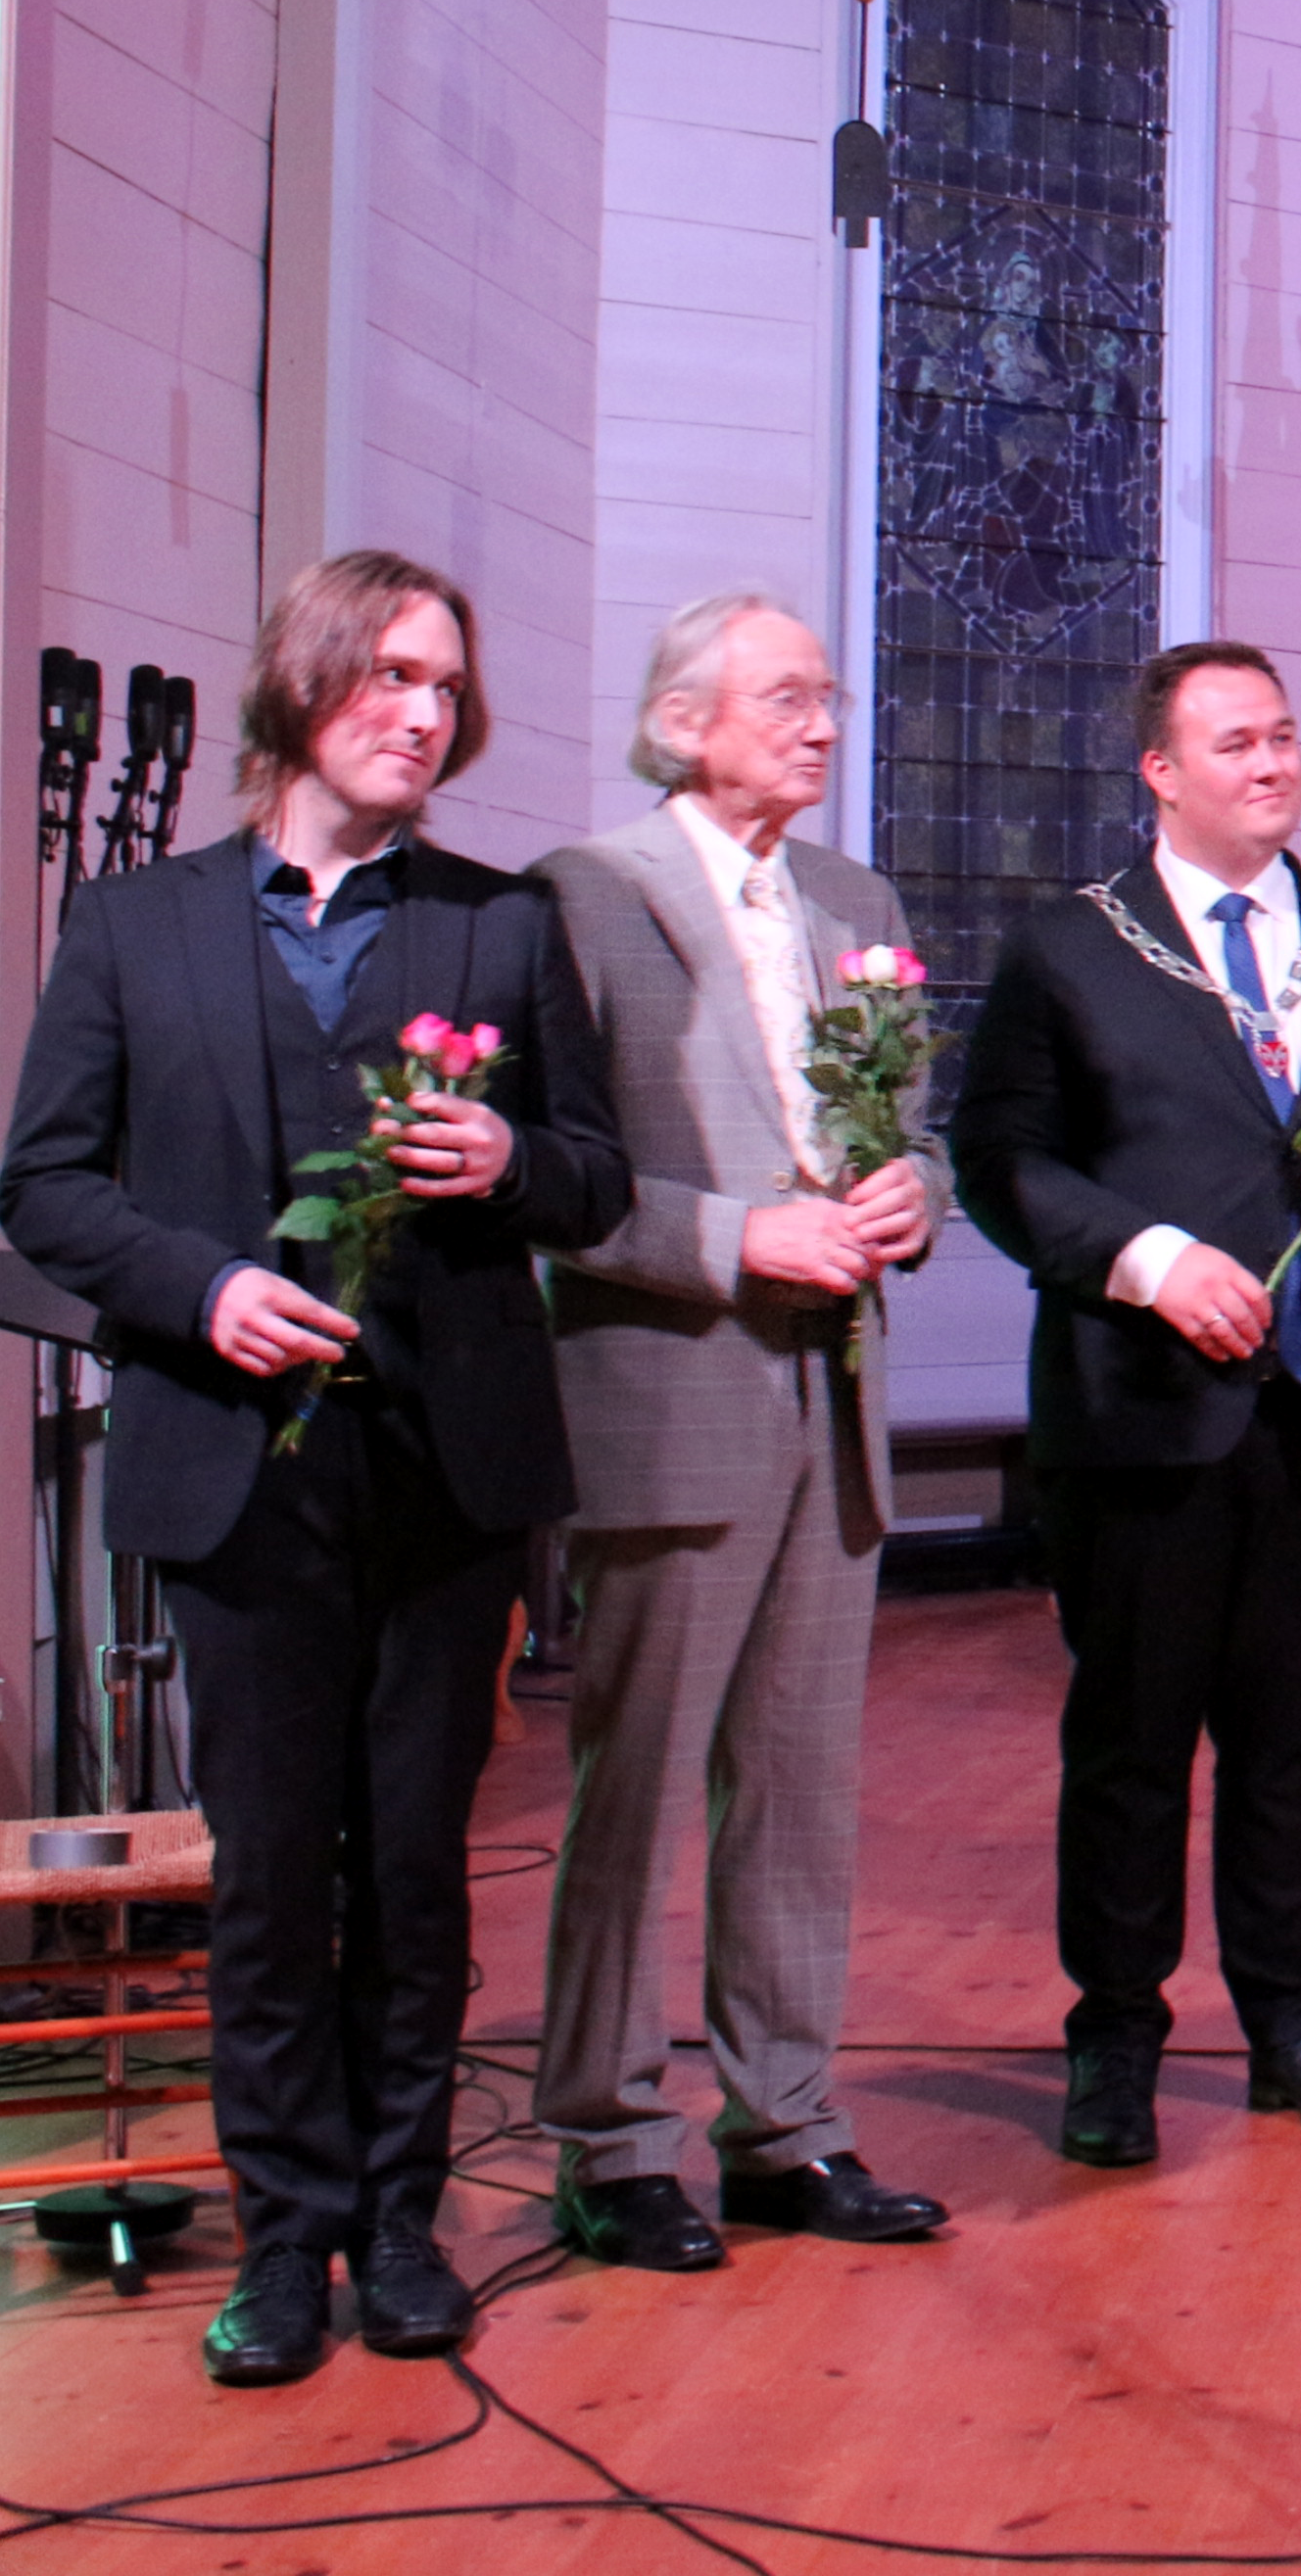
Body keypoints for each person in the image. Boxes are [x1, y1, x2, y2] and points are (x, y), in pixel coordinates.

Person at [1, 550, 629, 2384]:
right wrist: (201, 1291)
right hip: (231, 1469)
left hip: (446, 1465)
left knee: (417, 1864)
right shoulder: (135, 925)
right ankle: (285, 2241)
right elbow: (40, 1189)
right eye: (393, 677)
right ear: (304, 682)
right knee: (277, 1872)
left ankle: (402, 2219)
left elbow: (593, 1175)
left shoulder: (502, 924)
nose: (426, 713)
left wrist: (509, 1159)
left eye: (448, 684)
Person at [950, 640, 1301, 2170]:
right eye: (1235, 743)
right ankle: (1115, 2031)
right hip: (1143, 1403)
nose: (1270, 764)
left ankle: (1290, 2021)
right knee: (1130, 1735)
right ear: (1162, 772)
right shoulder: (1072, 947)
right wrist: (1144, 1255)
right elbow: (1000, 1156)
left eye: (1284, 738)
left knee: (1289, 1733)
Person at [527, 594, 952, 2271]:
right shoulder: (586, 892)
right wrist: (735, 1235)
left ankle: (786, 2126)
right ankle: (612, 2138)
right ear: (685, 721)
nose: (824, 724)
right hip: (669, 1380)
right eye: (787, 698)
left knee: (799, 1785)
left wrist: (908, 1194)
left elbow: (897, 1119)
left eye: (829, 698)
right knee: (636, 1784)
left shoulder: (857, 900)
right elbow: (553, 1180)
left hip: (828, 1386)